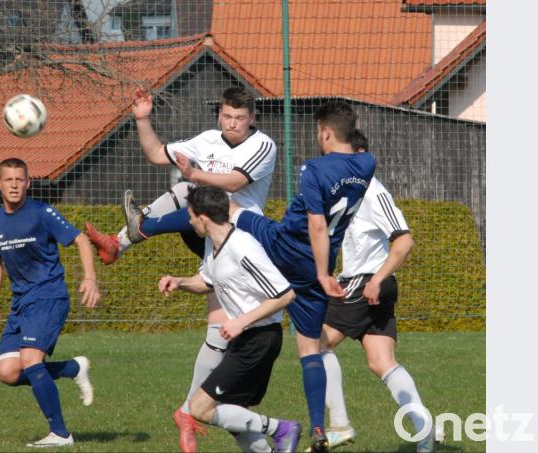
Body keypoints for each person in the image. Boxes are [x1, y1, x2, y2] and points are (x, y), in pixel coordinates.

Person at [134, 100, 375, 453]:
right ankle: (318, 428)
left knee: (226, 210)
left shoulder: (314, 170)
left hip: (285, 246)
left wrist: (325, 274)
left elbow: (317, 223)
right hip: (313, 269)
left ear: (324, 131)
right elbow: (336, 206)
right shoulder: (367, 165)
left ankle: (144, 226)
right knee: (310, 351)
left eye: (317, 133)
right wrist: (321, 272)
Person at [86, 86, 279, 452]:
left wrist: (197, 174)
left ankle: (196, 412)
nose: (233, 124)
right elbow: (158, 154)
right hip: (214, 236)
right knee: (184, 193)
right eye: (226, 116)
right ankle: (119, 241)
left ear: (252, 118)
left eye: (240, 118)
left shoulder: (263, 145)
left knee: (218, 333)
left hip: (239, 237)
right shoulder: (207, 139)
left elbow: (235, 183)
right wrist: (142, 118)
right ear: (219, 114)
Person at [158, 186, 301, 453]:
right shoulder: (215, 245)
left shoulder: (242, 247)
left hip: (260, 339)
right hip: (245, 338)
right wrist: (179, 282)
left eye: (190, 216)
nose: (188, 222)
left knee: (200, 407)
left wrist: (240, 321)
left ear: (203, 218)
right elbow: (207, 281)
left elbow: (284, 294)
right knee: (231, 415)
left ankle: (282, 429)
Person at [318, 131, 436, 453]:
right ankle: (424, 429)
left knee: (316, 347)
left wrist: (376, 279)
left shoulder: (372, 191)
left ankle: (339, 425)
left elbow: (405, 240)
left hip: (365, 283)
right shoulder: (347, 193)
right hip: (366, 284)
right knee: (381, 362)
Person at [0, 158, 101, 448]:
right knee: (8, 372)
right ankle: (72, 369)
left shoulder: (42, 213)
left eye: (19, 180)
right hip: (21, 303)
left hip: (49, 296)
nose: (14, 185)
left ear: (28, 183)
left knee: (31, 361)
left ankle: (60, 434)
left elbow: (81, 240)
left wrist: (90, 278)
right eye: (8, 180)